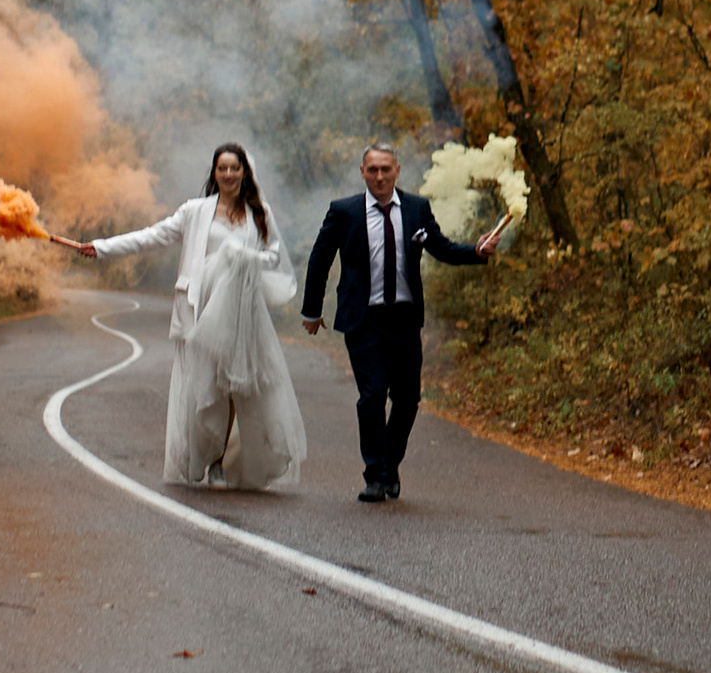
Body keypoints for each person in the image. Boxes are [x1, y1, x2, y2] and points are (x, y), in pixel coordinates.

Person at [73, 144, 307, 493]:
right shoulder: (195, 212)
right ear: (214, 173)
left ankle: (226, 461)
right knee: (204, 385)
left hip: (242, 314)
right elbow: (152, 237)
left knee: (233, 387)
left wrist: (244, 257)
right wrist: (103, 247)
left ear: (245, 173)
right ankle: (206, 458)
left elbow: (274, 257)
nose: (228, 175)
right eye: (222, 168)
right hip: (201, 311)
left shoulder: (260, 213)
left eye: (235, 168)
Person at [301, 140, 503, 503]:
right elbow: (320, 260)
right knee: (372, 396)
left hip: (405, 319)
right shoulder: (344, 211)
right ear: (362, 172)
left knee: (408, 398)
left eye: (385, 169)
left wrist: (475, 250)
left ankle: (390, 462)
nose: (379, 176)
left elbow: (440, 248)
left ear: (397, 170)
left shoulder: (415, 208)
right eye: (372, 169)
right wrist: (312, 311)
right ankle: (375, 475)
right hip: (363, 320)